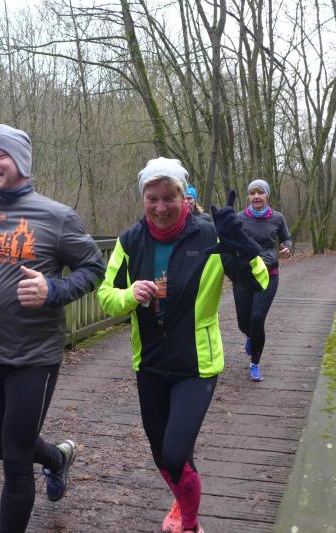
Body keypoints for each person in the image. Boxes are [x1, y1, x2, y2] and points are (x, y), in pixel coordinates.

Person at [0, 124, 106, 533]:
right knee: (3, 448)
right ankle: (57, 458)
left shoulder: (56, 216)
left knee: (15, 460)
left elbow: (93, 268)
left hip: (35, 356)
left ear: (22, 161)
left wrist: (54, 289)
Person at [97, 157, 269, 533]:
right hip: (150, 363)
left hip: (196, 364)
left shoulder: (210, 235)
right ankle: (183, 500)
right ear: (143, 199)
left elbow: (259, 282)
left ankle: (189, 524)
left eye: (169, 197)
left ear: (184, 197)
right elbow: (106, 296)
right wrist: (129, 294)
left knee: (175, 455)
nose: (160, 207)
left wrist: (241, 245)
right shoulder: (130, 240)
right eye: (152, 198)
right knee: (164, 455)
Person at [234, 179, 292, 382]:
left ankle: (255, 363)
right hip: (244, 275)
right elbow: (230, 240)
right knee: (243, 323)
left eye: (260, 192)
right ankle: (251, 337)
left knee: (257, 318)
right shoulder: (239, 218)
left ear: (267, 195)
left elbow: (286, 238)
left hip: (268, 274)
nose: (256, 196)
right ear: (248, 196)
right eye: (252, 193)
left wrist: (287, 248)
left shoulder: (277, 218)